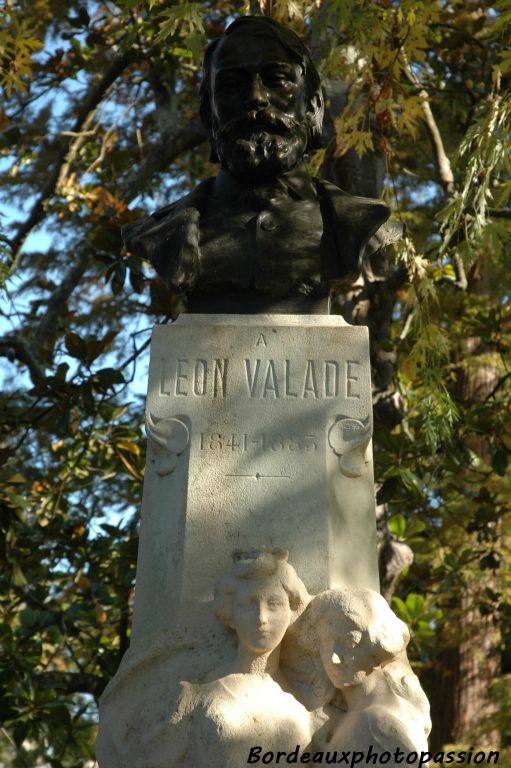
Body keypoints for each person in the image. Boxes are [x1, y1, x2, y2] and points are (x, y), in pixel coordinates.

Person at [122, 16, 400, 314]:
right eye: (231, 84)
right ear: (208, 115)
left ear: (313, 106)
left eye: (277, 79)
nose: (255, 98)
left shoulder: (360, 224)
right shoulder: (162, 234)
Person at [136, 549, 313, 768]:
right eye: (248, 604)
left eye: (274, 604)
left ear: (291, 611)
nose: (261, 618)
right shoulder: (194, 699)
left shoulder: (299, 710)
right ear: (230, 614)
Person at [282, 587, 431, 763]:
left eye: (348, 641)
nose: (334, 657)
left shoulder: (377, 726)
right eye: (325, 642)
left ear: (376, 644)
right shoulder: (368, 716)